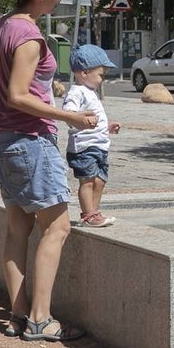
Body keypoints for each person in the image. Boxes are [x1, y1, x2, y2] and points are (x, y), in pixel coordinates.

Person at [0, 0, 95, 342]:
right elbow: (19, 95)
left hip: (4, 141)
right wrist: (69, 118)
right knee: (58, 227)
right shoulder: (30, 37)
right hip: (29, 141)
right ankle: (40, 319)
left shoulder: (4, 26)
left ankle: (18, 315)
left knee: (17, 228)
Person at [63, 44, 121, 228]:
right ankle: (88, 214)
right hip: (84, 146)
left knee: (100, 180)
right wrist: (79, 119)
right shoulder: (76, 92)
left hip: (99, 145)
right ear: (84, 73)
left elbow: (96, 118)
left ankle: (94, 213)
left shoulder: (91, 92)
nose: (102, 80)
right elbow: (69, 113)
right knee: (87, 181)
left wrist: (107, 127)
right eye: (101, 75)